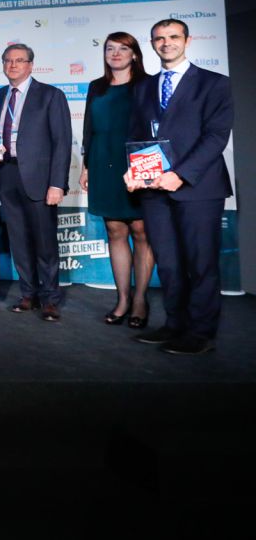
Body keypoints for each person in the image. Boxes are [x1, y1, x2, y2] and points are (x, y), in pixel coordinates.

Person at [126, 19, 232, 355]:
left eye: (173, 37)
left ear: (187, 40)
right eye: (159, 38)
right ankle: (174, 324)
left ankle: (200, 332)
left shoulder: (214, 84)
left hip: (198, 188)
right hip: (153, 190)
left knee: (200, 263)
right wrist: (133, 171)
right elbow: (137, 135)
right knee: (169, 262)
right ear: (152, 43)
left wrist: (181, 174)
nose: (166, 43)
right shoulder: (143, 87)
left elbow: (215, 136)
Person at [0, 44, 72, 321]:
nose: (13, 65)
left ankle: (50, 299)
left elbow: (62, 143)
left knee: (45, 242)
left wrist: (57, 184)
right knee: (19, 240)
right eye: (8, 61)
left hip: (40, 180)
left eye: (19, 60)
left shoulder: (50, 95)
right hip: (7, 175)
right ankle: (28, 294)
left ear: (30, 65)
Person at [80, 32, 154, 328]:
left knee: (140, 229)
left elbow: (155, 127)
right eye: (110, 48)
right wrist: (86, 166)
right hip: (102, 160)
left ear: (134, 53)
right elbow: (89, 129)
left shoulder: (147, 85)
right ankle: (123, 298)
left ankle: (140, 300)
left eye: (123, 48)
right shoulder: (96, 87)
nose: (116, 53)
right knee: (114, 229)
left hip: (138, 161)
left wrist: (148, 166)